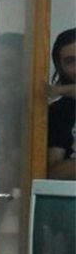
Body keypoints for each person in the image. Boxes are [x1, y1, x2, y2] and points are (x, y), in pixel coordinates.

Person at [47, 28, 75, 180]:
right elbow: (53, 172)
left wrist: (60, 89)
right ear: (60, 66)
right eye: (70, 61)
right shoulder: (58, 111)